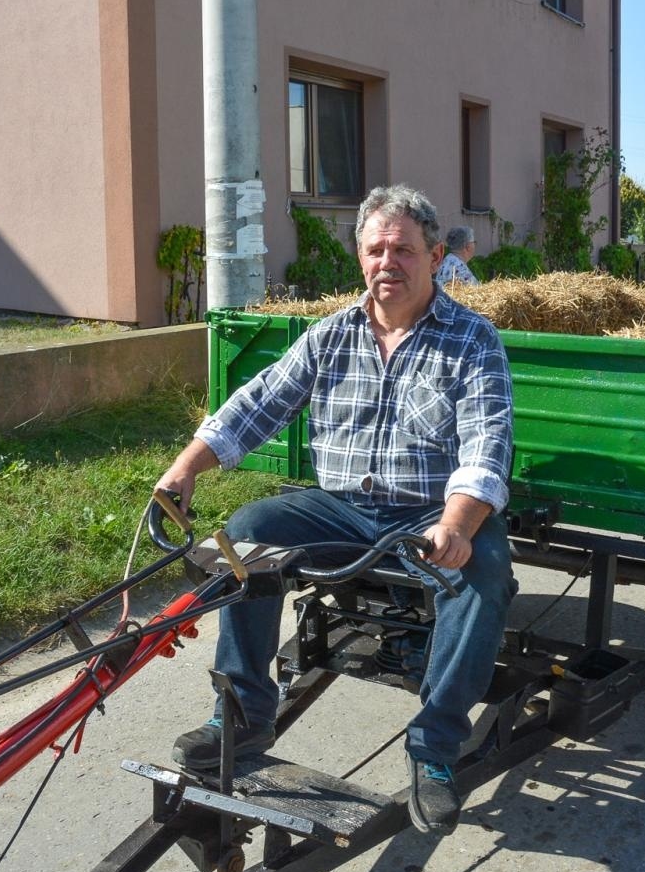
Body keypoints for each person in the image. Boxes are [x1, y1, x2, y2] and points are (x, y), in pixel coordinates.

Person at [156, 184, 514, 837]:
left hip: (429, 514)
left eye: (403, 249)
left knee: (485, 571)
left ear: (436, 257)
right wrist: (185, 468)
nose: (388, 262)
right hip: (343, 511)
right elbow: (255, 407)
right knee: (248, 535)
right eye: (376, 249)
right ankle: (243, 711)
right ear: (360, 258)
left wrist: (458, 527)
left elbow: (486, 448)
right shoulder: (330, 337)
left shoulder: (472, 341)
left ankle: (433, 751)